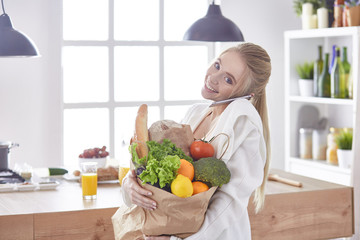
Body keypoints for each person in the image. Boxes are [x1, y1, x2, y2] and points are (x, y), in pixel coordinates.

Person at [122, 42, 272, 240]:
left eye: (228, 79)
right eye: (217, 66)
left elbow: (229, 204)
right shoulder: (196, 113)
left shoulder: (243, 120)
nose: (213, 78)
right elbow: (167, 180)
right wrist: (130, 186)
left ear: (247, 95)